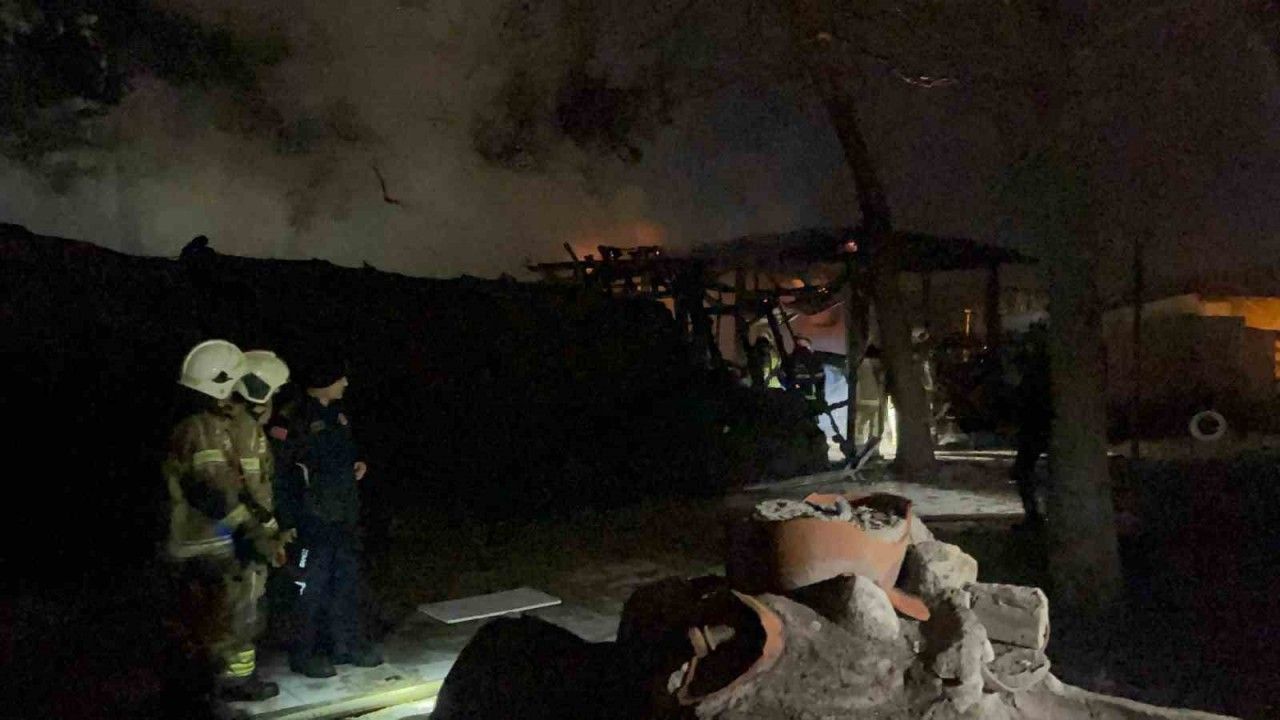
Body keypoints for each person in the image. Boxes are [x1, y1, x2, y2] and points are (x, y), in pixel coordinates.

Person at [162, 340, 289, 703]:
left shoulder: (219, 427)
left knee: (229, 620)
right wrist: (254, 533)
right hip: (210, 545)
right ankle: (209, 691)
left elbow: (245, 489)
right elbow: (215, 493)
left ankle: (223, 685)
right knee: (216, 625)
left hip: (217, 543)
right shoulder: (202, 430)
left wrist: (265, 529)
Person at [268, 354, 382, 678]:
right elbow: (281, 475)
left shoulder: (337, 413)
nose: (345, 383)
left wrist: (356, 464)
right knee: (308, 587)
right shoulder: (292, 419)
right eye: (339, 378)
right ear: (322, 382)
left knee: (346, 583)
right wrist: (288, 521)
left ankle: (345, 645)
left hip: (341, 516)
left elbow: (339, 454)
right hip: (311, 521)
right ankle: (305, 653)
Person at [230, 351, 297, 652]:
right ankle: (236, 671)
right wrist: (269, 528)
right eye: (273, 394)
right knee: (242, 605)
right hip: (244, 533)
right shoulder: (244, 431)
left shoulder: (248, 428)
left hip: (247, 530)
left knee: (250, 601)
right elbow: (248, 489)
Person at [1010, 326, 1051, 528]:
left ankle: (1034, 514)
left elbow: (1026, 398)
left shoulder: (1036, 371)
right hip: (1039, 425)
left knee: (1024, 471)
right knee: (1025, 471)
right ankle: (1034, 513)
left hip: (1035, 426)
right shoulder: (1043, 368)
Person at [790, 336, 826, 404]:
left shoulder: (817, 358)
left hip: (805, 396)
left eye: (805, 346)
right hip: (802, 397)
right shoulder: (792, 360)